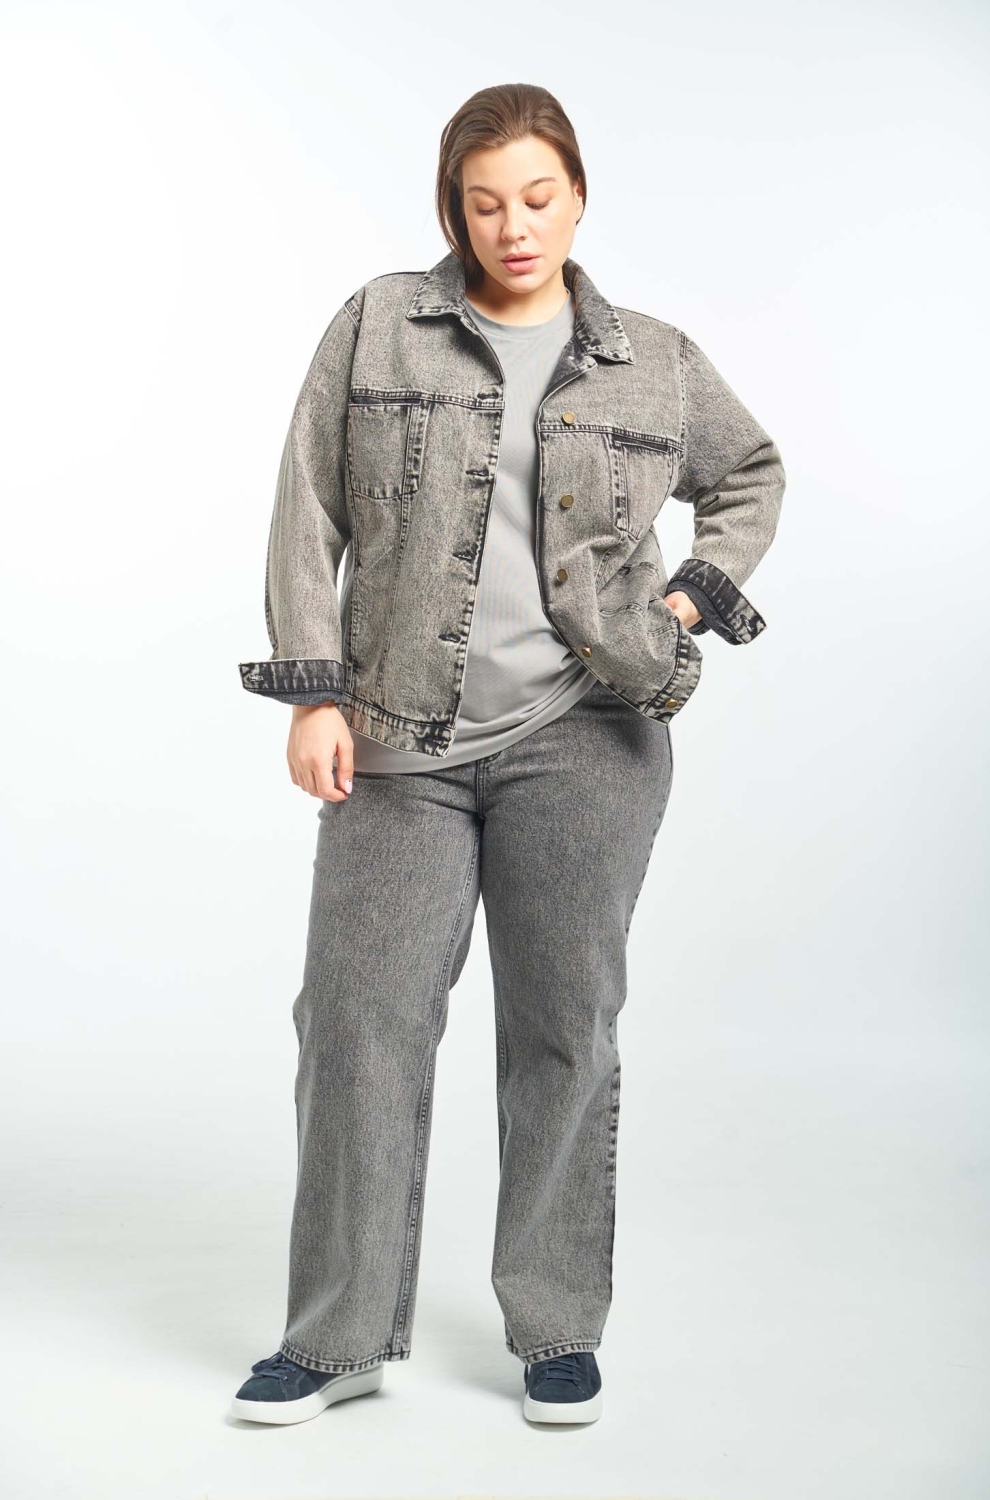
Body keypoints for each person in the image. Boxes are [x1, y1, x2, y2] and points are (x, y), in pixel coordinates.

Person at [231, 82, 785, 1428]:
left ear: (578, 197)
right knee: (356, 1023)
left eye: (537, 198)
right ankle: (336, 1335)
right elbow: (307, 503)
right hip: (399, 738)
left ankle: (555, 1327)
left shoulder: (653, 360)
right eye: (485, 204)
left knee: (560, 1032)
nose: (513, 226)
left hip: (588, 738)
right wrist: (312, 691)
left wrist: (685, 601)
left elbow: (751, 474)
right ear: (454, 209)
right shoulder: (379, 324)